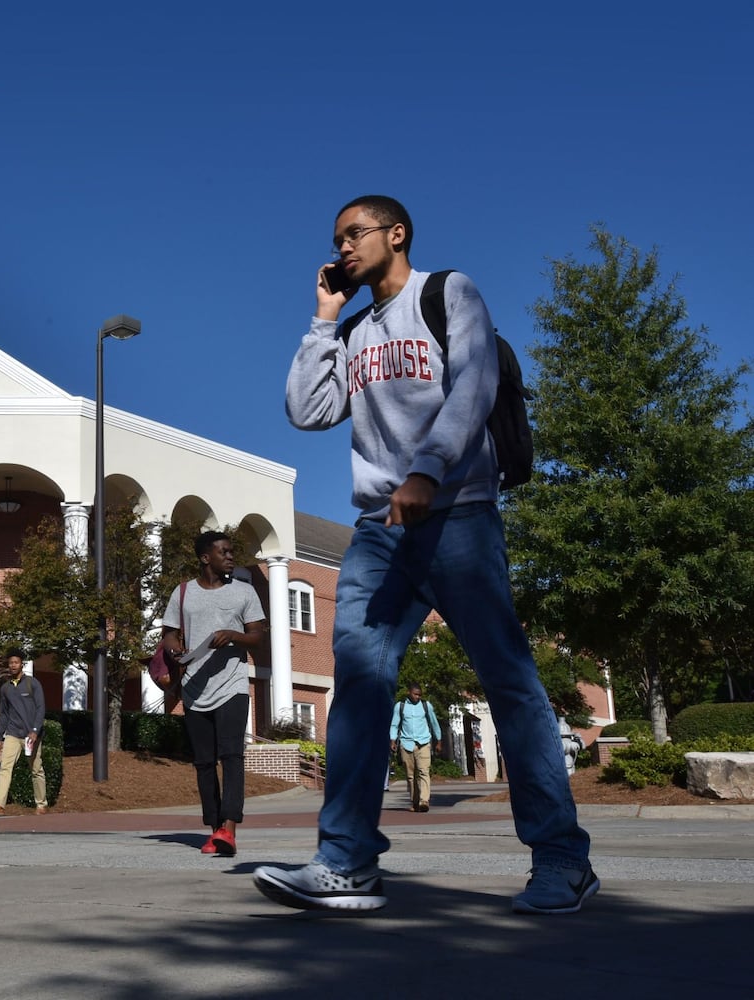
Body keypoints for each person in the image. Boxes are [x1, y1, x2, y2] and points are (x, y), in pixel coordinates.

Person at [255, 195, 596, 914]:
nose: (344, 248)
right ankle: (346, 862)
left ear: (396, 233)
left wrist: (427, 469)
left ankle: (561, 860)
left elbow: (473, 384)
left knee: (507, 683)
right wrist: (321, 319)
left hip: (458, 517)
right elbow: (306, 411)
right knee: (358, 678)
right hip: (380, 531)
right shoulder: (351, 330)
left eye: (356, 234)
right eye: (336, 240)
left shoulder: (447, 292)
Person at [159, 531, 265, 857]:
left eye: (232, 551)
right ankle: (214, 828)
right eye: (224, 552)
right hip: (194, 688)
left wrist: (233, 635)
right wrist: (176, 651)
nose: (231, 557)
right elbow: (169, 635)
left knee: (232, 755)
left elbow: (258, 635)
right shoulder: (182, 593)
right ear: (206, 558)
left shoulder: (245, 592)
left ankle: (229, 829)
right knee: (204, 763)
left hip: (232, 685)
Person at [0, 653, 47, 816]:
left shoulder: (33, 683)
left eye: (16, 662)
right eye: (10, 663)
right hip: (12, 734)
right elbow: (3, 714)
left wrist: (35, 731)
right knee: (5, 767)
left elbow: (41, 708)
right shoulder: (6, 688)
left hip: (31, 736)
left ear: (22, 664)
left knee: (36, 770)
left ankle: (41, 805)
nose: (13, 665)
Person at [390, 684, 443, 812]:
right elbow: (394, 724)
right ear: (409, 692)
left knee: (424, 772)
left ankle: (424, 801)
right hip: (406, 744)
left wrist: (439, 740)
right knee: (410, 776)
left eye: (419, 695)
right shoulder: (400, 706)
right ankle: (415, 801)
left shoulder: (426, 706)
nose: (417, 697)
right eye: (415, 694)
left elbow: (434, 723)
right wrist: (392, 740)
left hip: (423, 743)